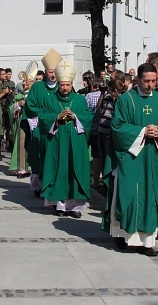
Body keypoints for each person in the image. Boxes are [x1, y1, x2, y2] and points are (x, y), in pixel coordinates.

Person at [102, 63, 158, 256]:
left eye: (153, 81)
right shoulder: (126, 100)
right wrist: (143, 131)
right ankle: (122, 234)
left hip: (153, 157)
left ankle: (147, 242)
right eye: (146, 81)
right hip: (131, 157)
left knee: (151, 196)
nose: (150, 85)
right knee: (128, 194)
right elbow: (117, 127)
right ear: (137, 79)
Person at [39, 59, 94, 217]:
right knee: (59, 171)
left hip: (76, 143)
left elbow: (89, 116)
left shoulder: (80, 100)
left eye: (67, 85)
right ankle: (60, 205)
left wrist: (75, 116)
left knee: (74, 172)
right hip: (57, 142)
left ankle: (75, 207)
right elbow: (43, 117)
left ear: (71, 84)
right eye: (62, 85)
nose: (64, 88)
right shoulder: (50, 100)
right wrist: (56, 118)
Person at [24, 48, 62, 196]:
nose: (52, 75)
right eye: (50, 71)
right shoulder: (38, 87)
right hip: (40, 129)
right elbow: (30, 106)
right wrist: (44, 117)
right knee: (38, 155)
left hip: (57, 129)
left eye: (54, 71)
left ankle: (53, 185)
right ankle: (38, 185)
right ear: (45, 71)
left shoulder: (63, 86)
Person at [8, 62, 39, 177]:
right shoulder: (19, 95)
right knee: (22, 143)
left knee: (33, 144)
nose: (25, 84)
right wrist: (18, 105)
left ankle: (33, 167)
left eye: (28, 82)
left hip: (34, 122)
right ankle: (22, 168)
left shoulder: (36, 95)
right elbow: (10, 108)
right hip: (22, 122)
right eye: (24, 82)